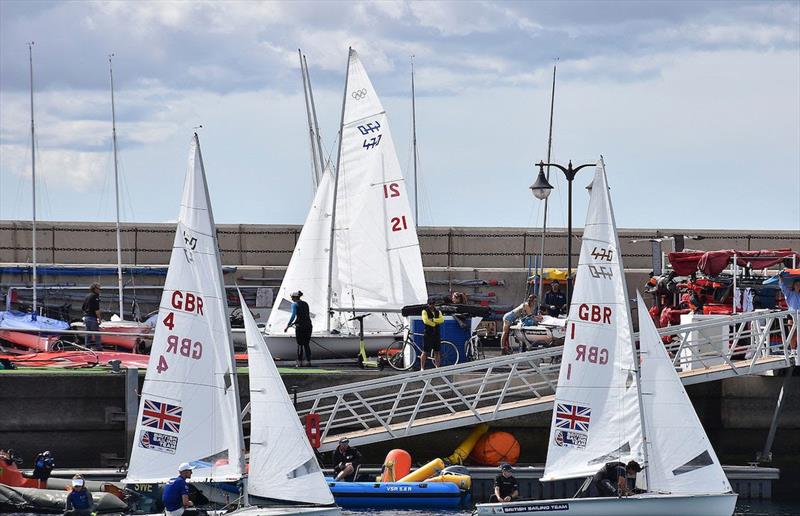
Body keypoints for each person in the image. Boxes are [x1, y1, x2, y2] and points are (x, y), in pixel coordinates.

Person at [284, 290, 313, 367]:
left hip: (300, 326)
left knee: (300, 344)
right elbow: (304, 315)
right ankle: (308, 362)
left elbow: (293, 316)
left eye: (291, 297)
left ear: (294, 297)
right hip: (308, 326)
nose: (291, 298)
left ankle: (299, 363)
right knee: (306, 344)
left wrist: (288, 325)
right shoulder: (306, 303)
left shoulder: (294, 304)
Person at [420, 298, 445, 370]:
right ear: (428, 304)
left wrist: (433, 320)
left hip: (436, 333)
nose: (432, 305)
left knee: (437, 351)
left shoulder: (438, 312)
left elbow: (442, 320)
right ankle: (422, 368)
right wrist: (434, 324)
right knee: (425, 351)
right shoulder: (424, 311)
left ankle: (437, 367)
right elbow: (425, 321)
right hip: (428, 333)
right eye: (430, 304)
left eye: (433, 304)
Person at [779, 277, 800, 357]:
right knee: (792, 334)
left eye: (799, 285)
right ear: (794, 285)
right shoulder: (789, 293)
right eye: (797, 285)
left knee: (799, 333)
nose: (798, 286)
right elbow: (783, 287)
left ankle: (798, 349)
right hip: (791, 315)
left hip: (799, 315)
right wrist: (780, 278)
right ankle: (793, 350)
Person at [81, 283, 102, 350]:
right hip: (92, 317)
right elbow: (97, 309)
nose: (100, 290)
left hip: (86, 317)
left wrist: (85, 316)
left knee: (88, 334)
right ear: (95, 289)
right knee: (96, 334)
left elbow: (83, 308)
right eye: (99, 289)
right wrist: (99, 318)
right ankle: (99, 348)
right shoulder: (95, 296)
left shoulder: (87, 296)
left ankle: (87, 348)